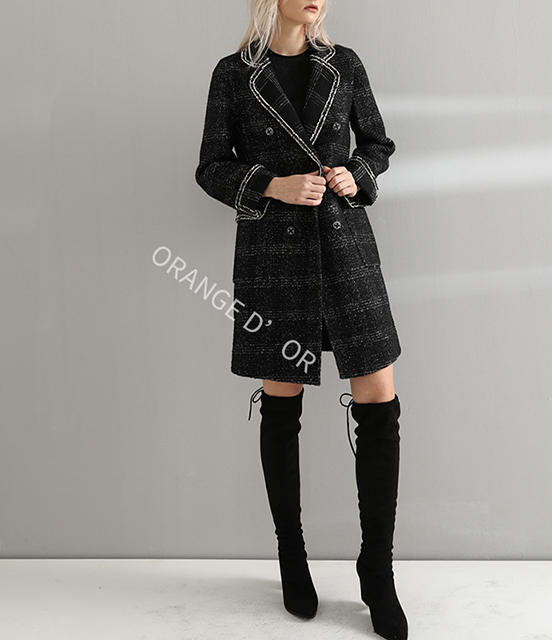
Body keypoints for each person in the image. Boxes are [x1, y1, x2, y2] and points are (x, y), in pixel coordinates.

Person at [195, 1, 407, 638]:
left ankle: (377, 570)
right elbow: (211, 166)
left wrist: (355, 174)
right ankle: (292, 556)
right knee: (281, 399)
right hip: (275, 256)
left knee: (378, 396)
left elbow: (378, 144)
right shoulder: (234, 73)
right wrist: (272, 184)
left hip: (346, 245)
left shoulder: (344, 65)